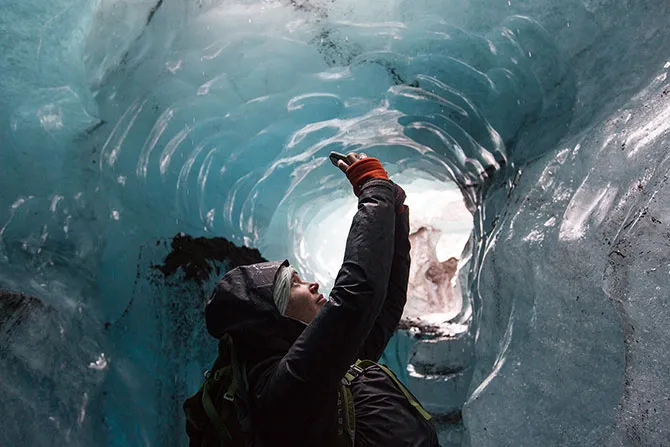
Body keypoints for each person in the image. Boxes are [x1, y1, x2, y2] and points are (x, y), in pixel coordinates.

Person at [204, 153, 439, 446]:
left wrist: (395, 213)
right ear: (273, 314)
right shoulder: (287, 384)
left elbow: (384, 306)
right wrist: (374, 189)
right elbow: (356, 297)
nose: (313, 284)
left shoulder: (320, 366)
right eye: (295, 285)